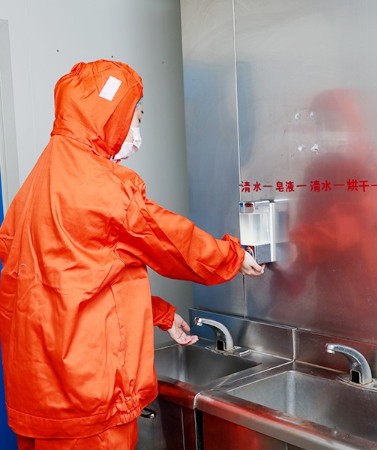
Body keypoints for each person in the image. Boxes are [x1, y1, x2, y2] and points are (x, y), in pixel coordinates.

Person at [0, 59, 264, 449]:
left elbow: (67, 285)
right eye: (135, 118)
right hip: (88, 398)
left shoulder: (34, 187)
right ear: (108, 116)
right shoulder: (105, 188)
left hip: (39, 394)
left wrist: (160, 314)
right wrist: (232, 257)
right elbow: (172, 241)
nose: (136, 132)